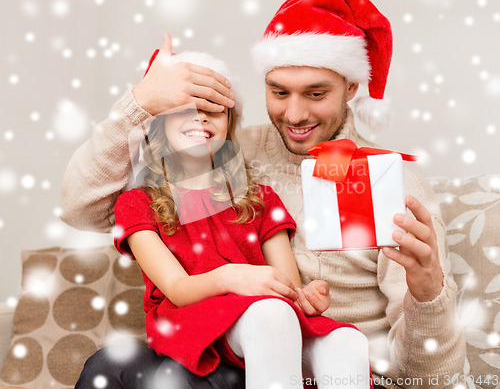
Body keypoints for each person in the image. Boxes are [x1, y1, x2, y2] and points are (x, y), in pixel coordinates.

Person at [63, 0, 465, 389]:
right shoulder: (227, 152)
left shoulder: (390, 181)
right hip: (236, 353)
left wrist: (428, 292)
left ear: (352, 87)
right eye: (279, 92)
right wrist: (141, 101)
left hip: (336, 361)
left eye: (316, 93)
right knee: (108, 368)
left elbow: (434, 378)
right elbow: (83, 208)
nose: (295, 113)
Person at [108, 50, 371, 389]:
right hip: (194, 318)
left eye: (213, 111)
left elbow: (286, 287)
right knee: (272, 315)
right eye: (186, 109)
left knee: (347, 342)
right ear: (158, 125)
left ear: (228, 123)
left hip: (270, 317)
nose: (201, 119)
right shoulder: (137, 203)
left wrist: (305, 297)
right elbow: (177, 289)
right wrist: (232, 277)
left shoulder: (259, 199)